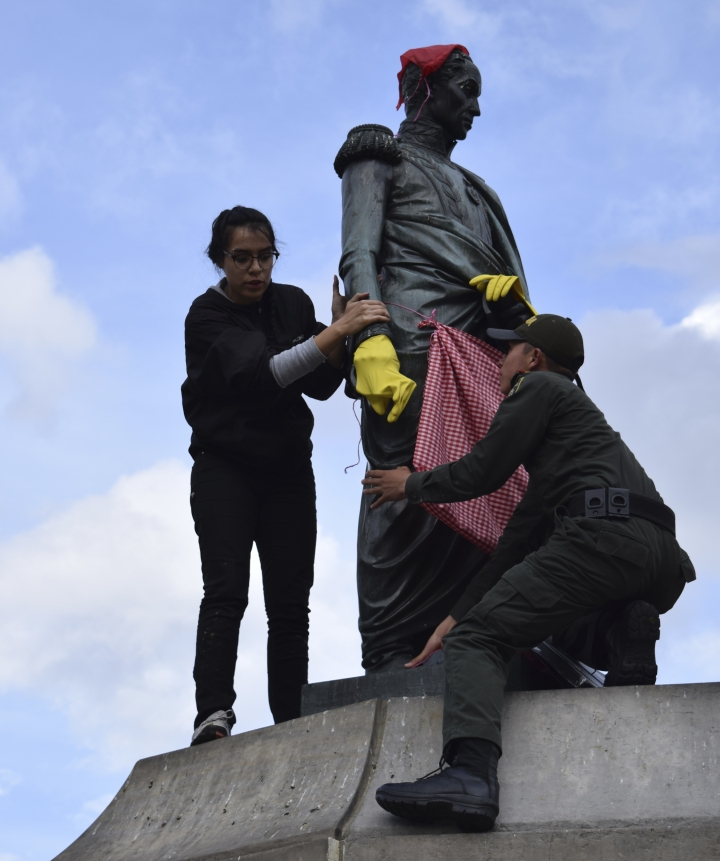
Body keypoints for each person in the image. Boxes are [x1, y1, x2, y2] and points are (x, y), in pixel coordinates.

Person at [362, 314, 695, 831]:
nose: (501, 359)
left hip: (601, 537)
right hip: (660, 559)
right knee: (547, 624)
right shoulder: (580, 439)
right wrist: (455, 614)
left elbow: (483, 470)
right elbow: (516, 542)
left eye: (509, 349)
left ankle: (470, 775)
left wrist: (411, 483)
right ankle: (621, 632)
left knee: (479, 641)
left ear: (533, 359)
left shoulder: (538, 388)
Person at [336, 44, 534, 673]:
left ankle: (468, 639)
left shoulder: (479, 191)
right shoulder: (379, 153)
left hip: (482, 360)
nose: (474, 107)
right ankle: (391, 649)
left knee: (485, 491)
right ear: (426, 89)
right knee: (402, 496)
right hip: (410, 350)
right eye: (465, 90)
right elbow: (358, 251)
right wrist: (368, 339)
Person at [181, 205, 390, 746]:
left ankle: (290, 719)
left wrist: (341, 332)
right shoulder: (206, 318)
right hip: (224, 469)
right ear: (219, 261)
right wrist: (338, 330)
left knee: (290, 601)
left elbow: (320, 382)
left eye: (264, 256)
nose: (255, 269)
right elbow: (266, 374)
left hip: (287, 471)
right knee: (226, 592)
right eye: (241, 258)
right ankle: (213, 715)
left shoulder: (292, 303)